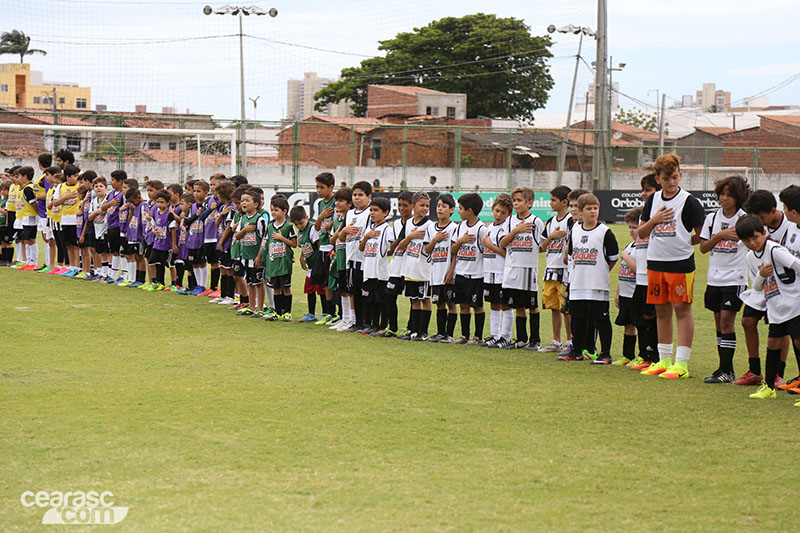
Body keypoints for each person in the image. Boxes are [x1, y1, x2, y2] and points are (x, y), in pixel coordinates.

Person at [637, 154, 705, 379]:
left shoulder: (689, 202)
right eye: (666, 178)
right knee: (661, 311)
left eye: (675, 177)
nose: (671, 181)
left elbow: (701, 235)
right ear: (658, 179)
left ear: (680, 175)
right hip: (655, 263)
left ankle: (681, 364)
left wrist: (684, 242)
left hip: (680, 265)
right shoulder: (653, 200)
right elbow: (641, 233)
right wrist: (655, 219)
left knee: (681, 311)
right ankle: (663, 360)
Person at [736, 214, 800, 404]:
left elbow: (796, 265)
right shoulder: (750, 257)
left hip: (794, 304)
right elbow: (756, 287)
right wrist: (762, 276)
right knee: (772, 345)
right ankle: (769, 387)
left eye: (755, 237)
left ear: (764, 233)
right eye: (747, 240)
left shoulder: (775, 250)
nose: (752, 243)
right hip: (776, 307)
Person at [698, 175, 750, 383]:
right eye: (722, 194)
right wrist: (719, 235)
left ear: (738, 197)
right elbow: (702, 248)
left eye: (729, 195)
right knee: (719, 324)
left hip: (735, 279)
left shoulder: (745, 219)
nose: (724, 198)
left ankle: (727, 370)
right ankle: (723, 369)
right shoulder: (711, 219)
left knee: (728, 322)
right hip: (714, 279)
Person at [558, 193, 619, 364]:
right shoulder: (575, 230)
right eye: (589, 208)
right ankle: (577, 351)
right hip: (577, 284)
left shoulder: (605, 232)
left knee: (600, 319)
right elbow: (571, 256)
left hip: (597, 285)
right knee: (578, 319)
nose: (593, 211)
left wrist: (600, 271)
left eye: (595, 208)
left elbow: (612, 258)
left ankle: (605, 353)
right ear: (580, 211)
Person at [499, 187, 544, 350]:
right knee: (517, 305)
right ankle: (521, 339)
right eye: (514, 200)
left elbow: (542, 245)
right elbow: (502, 243)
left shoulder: (536, 222)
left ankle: (535, 340)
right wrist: (516, 230)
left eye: (519, 200)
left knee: (532, 305)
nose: (516, 203)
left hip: (528, 269)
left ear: (529, 203)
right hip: (512, 268)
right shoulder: (510, 221)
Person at [628, 174, 661, 370]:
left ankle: (656, 356)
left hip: (653, 276)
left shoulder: (660, 215)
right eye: (643, 190)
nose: (644, 194)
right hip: (640, 277)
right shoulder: (644, 216)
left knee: (653, 316)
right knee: (640, 316)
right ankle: (645, 354)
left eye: (648, 190)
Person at [449, 192, 488, 345]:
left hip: (476, 275)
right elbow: (453, 250)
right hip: (461, 274)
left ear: (469, 211)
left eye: (460, 208)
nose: (459, 211)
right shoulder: (460, 227)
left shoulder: (481, 229)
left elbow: (486, 252)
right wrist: (461, 241)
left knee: (477, 306)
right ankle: (464, 335)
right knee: (463, 306)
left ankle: (478, 337)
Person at [538, 185, 573, 353]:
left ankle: (570, 341)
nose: (550, 203)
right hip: (550, 268)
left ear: (564, 202)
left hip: (565, 270)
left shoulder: (571, 220)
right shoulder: (551, 221)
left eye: (553, 200)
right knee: (553, 306)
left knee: (566, 308)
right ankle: (556, 341)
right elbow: (541, 247)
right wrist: (551, 236)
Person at [396, 191, 434, 340]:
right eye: (422, 205)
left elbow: (428, 248)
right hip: (410, 268)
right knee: (414, 299)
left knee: (425, 299)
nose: (425, 208)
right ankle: (415, 331)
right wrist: (410, 236)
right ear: (413, 206)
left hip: (423, 269)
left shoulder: (430, 225)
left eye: (427, 206)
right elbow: (401, 245)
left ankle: (423, 332)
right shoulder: (409, 223)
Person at [425, 193, 458, 343]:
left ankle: (449, 335)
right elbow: (427, 250)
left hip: (448, 273)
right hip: (435, 272)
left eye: (444, 206)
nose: (440, 209)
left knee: (451, 303)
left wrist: (451, 271)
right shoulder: (431, 228)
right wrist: (435, 239)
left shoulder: (454, 228)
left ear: (451, 210)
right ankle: (440, 333)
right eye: (438, 206)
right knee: (439, 303)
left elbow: (455, 253)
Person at [359, 196, 395, 334]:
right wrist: (367, 236)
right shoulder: (369, 229)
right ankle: (372, 325)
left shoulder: (386, 229)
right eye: (371, 210)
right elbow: (361, 248)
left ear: (385, 213)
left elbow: (393, 246)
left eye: (376, 210)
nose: (372, 213)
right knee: (370, 300)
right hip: (368, 270)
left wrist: (384, 254)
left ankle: (382, 325)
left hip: (380, 273)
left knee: (381, 300)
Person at [341, 181, 372, 332]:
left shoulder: (370, 213)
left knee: (365, 293)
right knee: (354, 292)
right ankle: (357, 322)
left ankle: (366, 322)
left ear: (369, 197)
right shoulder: (350, 213)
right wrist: (345, 230)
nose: (357, 198)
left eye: (361, 195)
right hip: (351, 259)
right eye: (355, 195)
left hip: (364, 259)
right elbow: (340, 237)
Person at [483, 193, 513, 348]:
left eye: (503, 212)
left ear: (509, 214)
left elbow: (507, 253)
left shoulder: (506, 229)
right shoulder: (489, 228)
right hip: (489, 272)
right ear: (492, 209)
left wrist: (490, 246)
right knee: (493, 303)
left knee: (505, 304)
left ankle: (505, 337)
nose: (499, 215)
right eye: (497, 211)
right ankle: (495, 335)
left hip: (502, 272)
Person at [612, 207, 641, 365]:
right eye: (629, 227)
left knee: (640, 325)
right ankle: (627, 355)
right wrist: (618, 292)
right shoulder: (630, 245)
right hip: (625, 293)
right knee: (627, 324)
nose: (631, 231)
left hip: (636, 293)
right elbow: (622, 272)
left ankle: (643, 355)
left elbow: (638, 269)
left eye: (634, 227)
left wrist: (624, 256)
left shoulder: (643, 247)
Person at [261, 195, 297, 321]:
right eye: (272, 210)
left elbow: (294, 244)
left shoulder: (289, 226)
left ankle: (287, 313)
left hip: (284, 262)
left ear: (284, 211)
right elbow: (266, 242)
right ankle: (278, 312)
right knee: (276, 289)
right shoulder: (270, 226)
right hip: (273, 263)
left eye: (276, 210)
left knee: (286, 288)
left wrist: (282, 238)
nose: (273, 212)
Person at [234, 188, 269, 316]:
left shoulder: (260, 220)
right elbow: (236, 236)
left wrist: (259, 257)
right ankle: (251, 307)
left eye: (247, 201)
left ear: (255, 204)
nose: (243, 203)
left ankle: (260, 308)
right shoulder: (242, 219)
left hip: (256, 258)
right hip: (245, 257)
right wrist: (245, 230)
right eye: (242, 200)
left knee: (258, 283)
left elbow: (264, 239)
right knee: (250, 282)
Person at [385, 190, 414, 337]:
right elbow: (393, 247)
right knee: (390, 296)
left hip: (410, 266)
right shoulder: (396, 223)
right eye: (400, 205)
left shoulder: (416, 223)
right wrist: (397, 243)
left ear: (412, 206)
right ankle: (392, 328)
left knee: (413, 299)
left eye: (405, 205)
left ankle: (411, 328)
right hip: (396, 265)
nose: (402, 208)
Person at [311, 172, 337, 324]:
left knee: (331, 282)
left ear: (331, 187)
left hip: (332, 247)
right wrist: (320, 218)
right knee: (321, 281)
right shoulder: (319, 204)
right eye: (317, 187)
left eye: (322, 187)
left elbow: (341, 219)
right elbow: (315, 226)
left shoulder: (335, 202)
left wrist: (331, 225)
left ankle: (334, 313)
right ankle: (327, 312)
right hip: (322, 247)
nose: (318, 191)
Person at [291, 205, 322, 323]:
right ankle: (311, 313)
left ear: (307, 217)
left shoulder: (312, 228)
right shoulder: (300, 232)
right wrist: (302, 257)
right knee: (309, 289)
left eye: (301, 223)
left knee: (321, 290)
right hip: (310, 267)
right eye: (296, 224)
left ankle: (326, 313)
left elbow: (319, 246)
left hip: (317, 266)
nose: (299, 226)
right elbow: (304, 246)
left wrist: (320, 263)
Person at [327, 187, 353, 330]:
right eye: (336, 201)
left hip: (348, 260)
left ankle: (351, 319)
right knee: (342, 289)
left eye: (341, 201)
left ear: (349, 204)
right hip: (339, 258)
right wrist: (339, 231)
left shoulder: (352, 219)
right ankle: (345, 318)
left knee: (349, 290)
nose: (337, 203)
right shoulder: (337, 220)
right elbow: (332, 240)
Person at [146, 189, 178, 290]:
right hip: (157, 243)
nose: (159, 204)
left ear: (168, 202)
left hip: (166, 245)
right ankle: (155, 283)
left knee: (171, 265)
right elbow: (154, 225)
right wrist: (154, 231)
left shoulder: (169, 215)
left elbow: (173, 230)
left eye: (162, 202)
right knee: (151, 262)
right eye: (158, 202)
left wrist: (173, 245)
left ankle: (173, 284)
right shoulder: (156, 213)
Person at [212, 180, 236, 305]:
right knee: (223, 268)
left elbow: (228, 228)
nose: (216, 196)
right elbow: (216, 223)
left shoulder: (232, 207)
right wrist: (221, 214)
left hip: (227, 242)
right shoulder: (223, 207)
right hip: (220, 240)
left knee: (228, 269)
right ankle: (223, 294)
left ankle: (230, 296)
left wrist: (221, 242)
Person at [86, 176, 111, 281]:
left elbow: (105, 211)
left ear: (106, 188)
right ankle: (103, 274)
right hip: (97, 228)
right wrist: (97, 211)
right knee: (101, 252)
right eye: (96, 186)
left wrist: (99, 211)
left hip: (106, 229)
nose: (98, 188)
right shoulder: (94, 201)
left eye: (101, 186)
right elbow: (90, 216)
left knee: (108, 252)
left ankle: (109, 274)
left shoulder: (108, 199)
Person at [14, 166, 38, 270]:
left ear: (25, 177)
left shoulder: (28, 189)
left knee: (31, 239)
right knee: (27, 240)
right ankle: (28, 262)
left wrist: (39, 214)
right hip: (25, 217)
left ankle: (33, 263)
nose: (17, 178)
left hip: (31, 217)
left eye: (18, 176)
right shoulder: (23, 188)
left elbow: (34, 204)